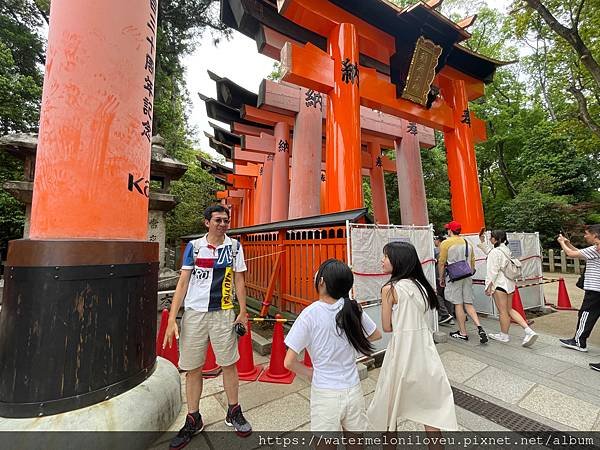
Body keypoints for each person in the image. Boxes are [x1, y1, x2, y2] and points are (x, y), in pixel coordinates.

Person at [163, 205, 251, 449]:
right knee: (193, 368)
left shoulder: (234, 247)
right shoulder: (195, 247)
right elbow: (183, 283)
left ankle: (233, 410)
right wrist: (172, 318)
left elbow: (240, 279)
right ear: (206, 223)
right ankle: (193, 417)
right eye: (217, 220)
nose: (222, 224)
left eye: (226, 220)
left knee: (229, 363)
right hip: (195, 313)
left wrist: (243, 311)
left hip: (224, 312)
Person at [367, 242, 457, 433]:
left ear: (398, 260)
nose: (382, 260)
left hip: (401, 351)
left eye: (386, 256)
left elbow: (387, 326)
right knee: (431, 409)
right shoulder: (422, 286)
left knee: (389, 409)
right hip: (424, 350)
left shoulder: (389, 289)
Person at [283, 259, 382, 432]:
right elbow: (376, 335)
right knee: (356, 439)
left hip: (325, 391)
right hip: (353, 387)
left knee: (325, 443)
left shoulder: (309, 314)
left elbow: (289, 362)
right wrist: (352, 344)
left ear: (321, 282)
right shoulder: (353, 308)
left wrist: (311, 373)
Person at [479, 230, 538, 346]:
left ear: (495, 239)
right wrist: (482, 241)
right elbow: (491, 252)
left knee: (502, 312)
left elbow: (493, 271)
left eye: (491, 237)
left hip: (499, 284)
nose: (490, 239)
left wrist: (488, 287)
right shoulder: (505, 250)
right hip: (509, 284)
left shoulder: (495, 252)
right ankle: (528, 330)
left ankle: (504, 335)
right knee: (509, 310)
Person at [438, 220, 488, 343]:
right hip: (467, 276)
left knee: (458, 304)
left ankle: (463, 333)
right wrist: (469, 273)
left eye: (447, 229)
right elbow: (472, 262)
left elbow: (441, 262)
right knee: (469, 304)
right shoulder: (467, 242)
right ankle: (479, 327)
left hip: (454, 277)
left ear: (450, 230)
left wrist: (441, 278)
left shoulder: (445, 243)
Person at [556, 225, 600, 362]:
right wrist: (568, 243)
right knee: (588, 315)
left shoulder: (597, 248)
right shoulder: (595, 249)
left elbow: (571, 254)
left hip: (595, 289)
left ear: (595, 235)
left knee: (585, 314)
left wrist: (562, 243)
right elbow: (581, 253)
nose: (585, 236)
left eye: (587, 234)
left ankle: (579, 341)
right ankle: (579, 340)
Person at [434, 235, 455, 326]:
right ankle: (450, 316)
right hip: (450, 275)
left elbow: (440, 264)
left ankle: (445, 314)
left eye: (435, 239)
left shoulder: (436, 251)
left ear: (438, 241)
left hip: (439, 275)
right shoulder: (450, 249)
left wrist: (440, 277)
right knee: (447, 295)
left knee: (437, 295)